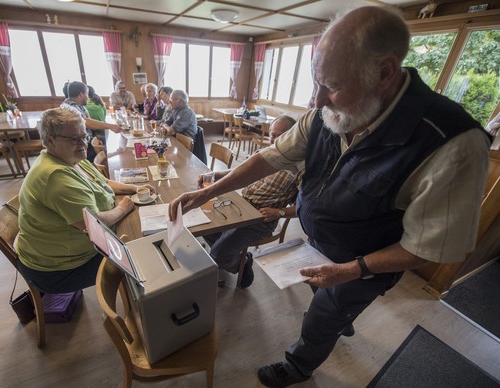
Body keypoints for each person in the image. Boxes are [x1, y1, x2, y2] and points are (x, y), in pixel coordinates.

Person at [168, 6, 491, 387]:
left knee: (324, 315)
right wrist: (210, 191)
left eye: (332, 86)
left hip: (363, 262)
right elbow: (270, 157)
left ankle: (299, 366)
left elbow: (434, 248)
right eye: (315, 83)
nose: (317, 101)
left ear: (385, 72)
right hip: (318, 242)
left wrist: (350, 271)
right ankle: (343, 315)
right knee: (326, 301)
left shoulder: (452, 144)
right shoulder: (329, 111)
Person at [16, 108, 155, 294]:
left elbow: (103, 182)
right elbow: (94, 224)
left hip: (67, 253)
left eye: (84, 136)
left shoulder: (72, 158)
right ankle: (140, 312)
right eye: (74, 139)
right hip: (59, 270)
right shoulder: (56, 176)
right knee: (143, 255)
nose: (83, 143)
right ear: (50, 140)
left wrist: (135, 188)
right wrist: (123, 208)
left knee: (142, 236)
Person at [202, 115, 301, 289]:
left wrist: (280, 213)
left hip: (261, 218)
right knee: (205, 224)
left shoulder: (300, 166)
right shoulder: (264, 153)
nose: (274, 140)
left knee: (217, 255)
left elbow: (305, 207)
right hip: (241, 204)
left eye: (280, 135)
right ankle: (231, 253)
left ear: (292, 136)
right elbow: (238, 171)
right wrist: (214, 176)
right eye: (272, 134)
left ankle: (244, 262)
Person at [61, 81, 120, 161]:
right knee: (113, 145)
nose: (88, 97)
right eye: (87, 94)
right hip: (80, 146)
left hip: (88, 140)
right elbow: (85, 122)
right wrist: (110, 126)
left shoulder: (78, 105)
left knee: (110, 141)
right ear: (81, 94)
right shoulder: (70, 106)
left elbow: (89, 121)